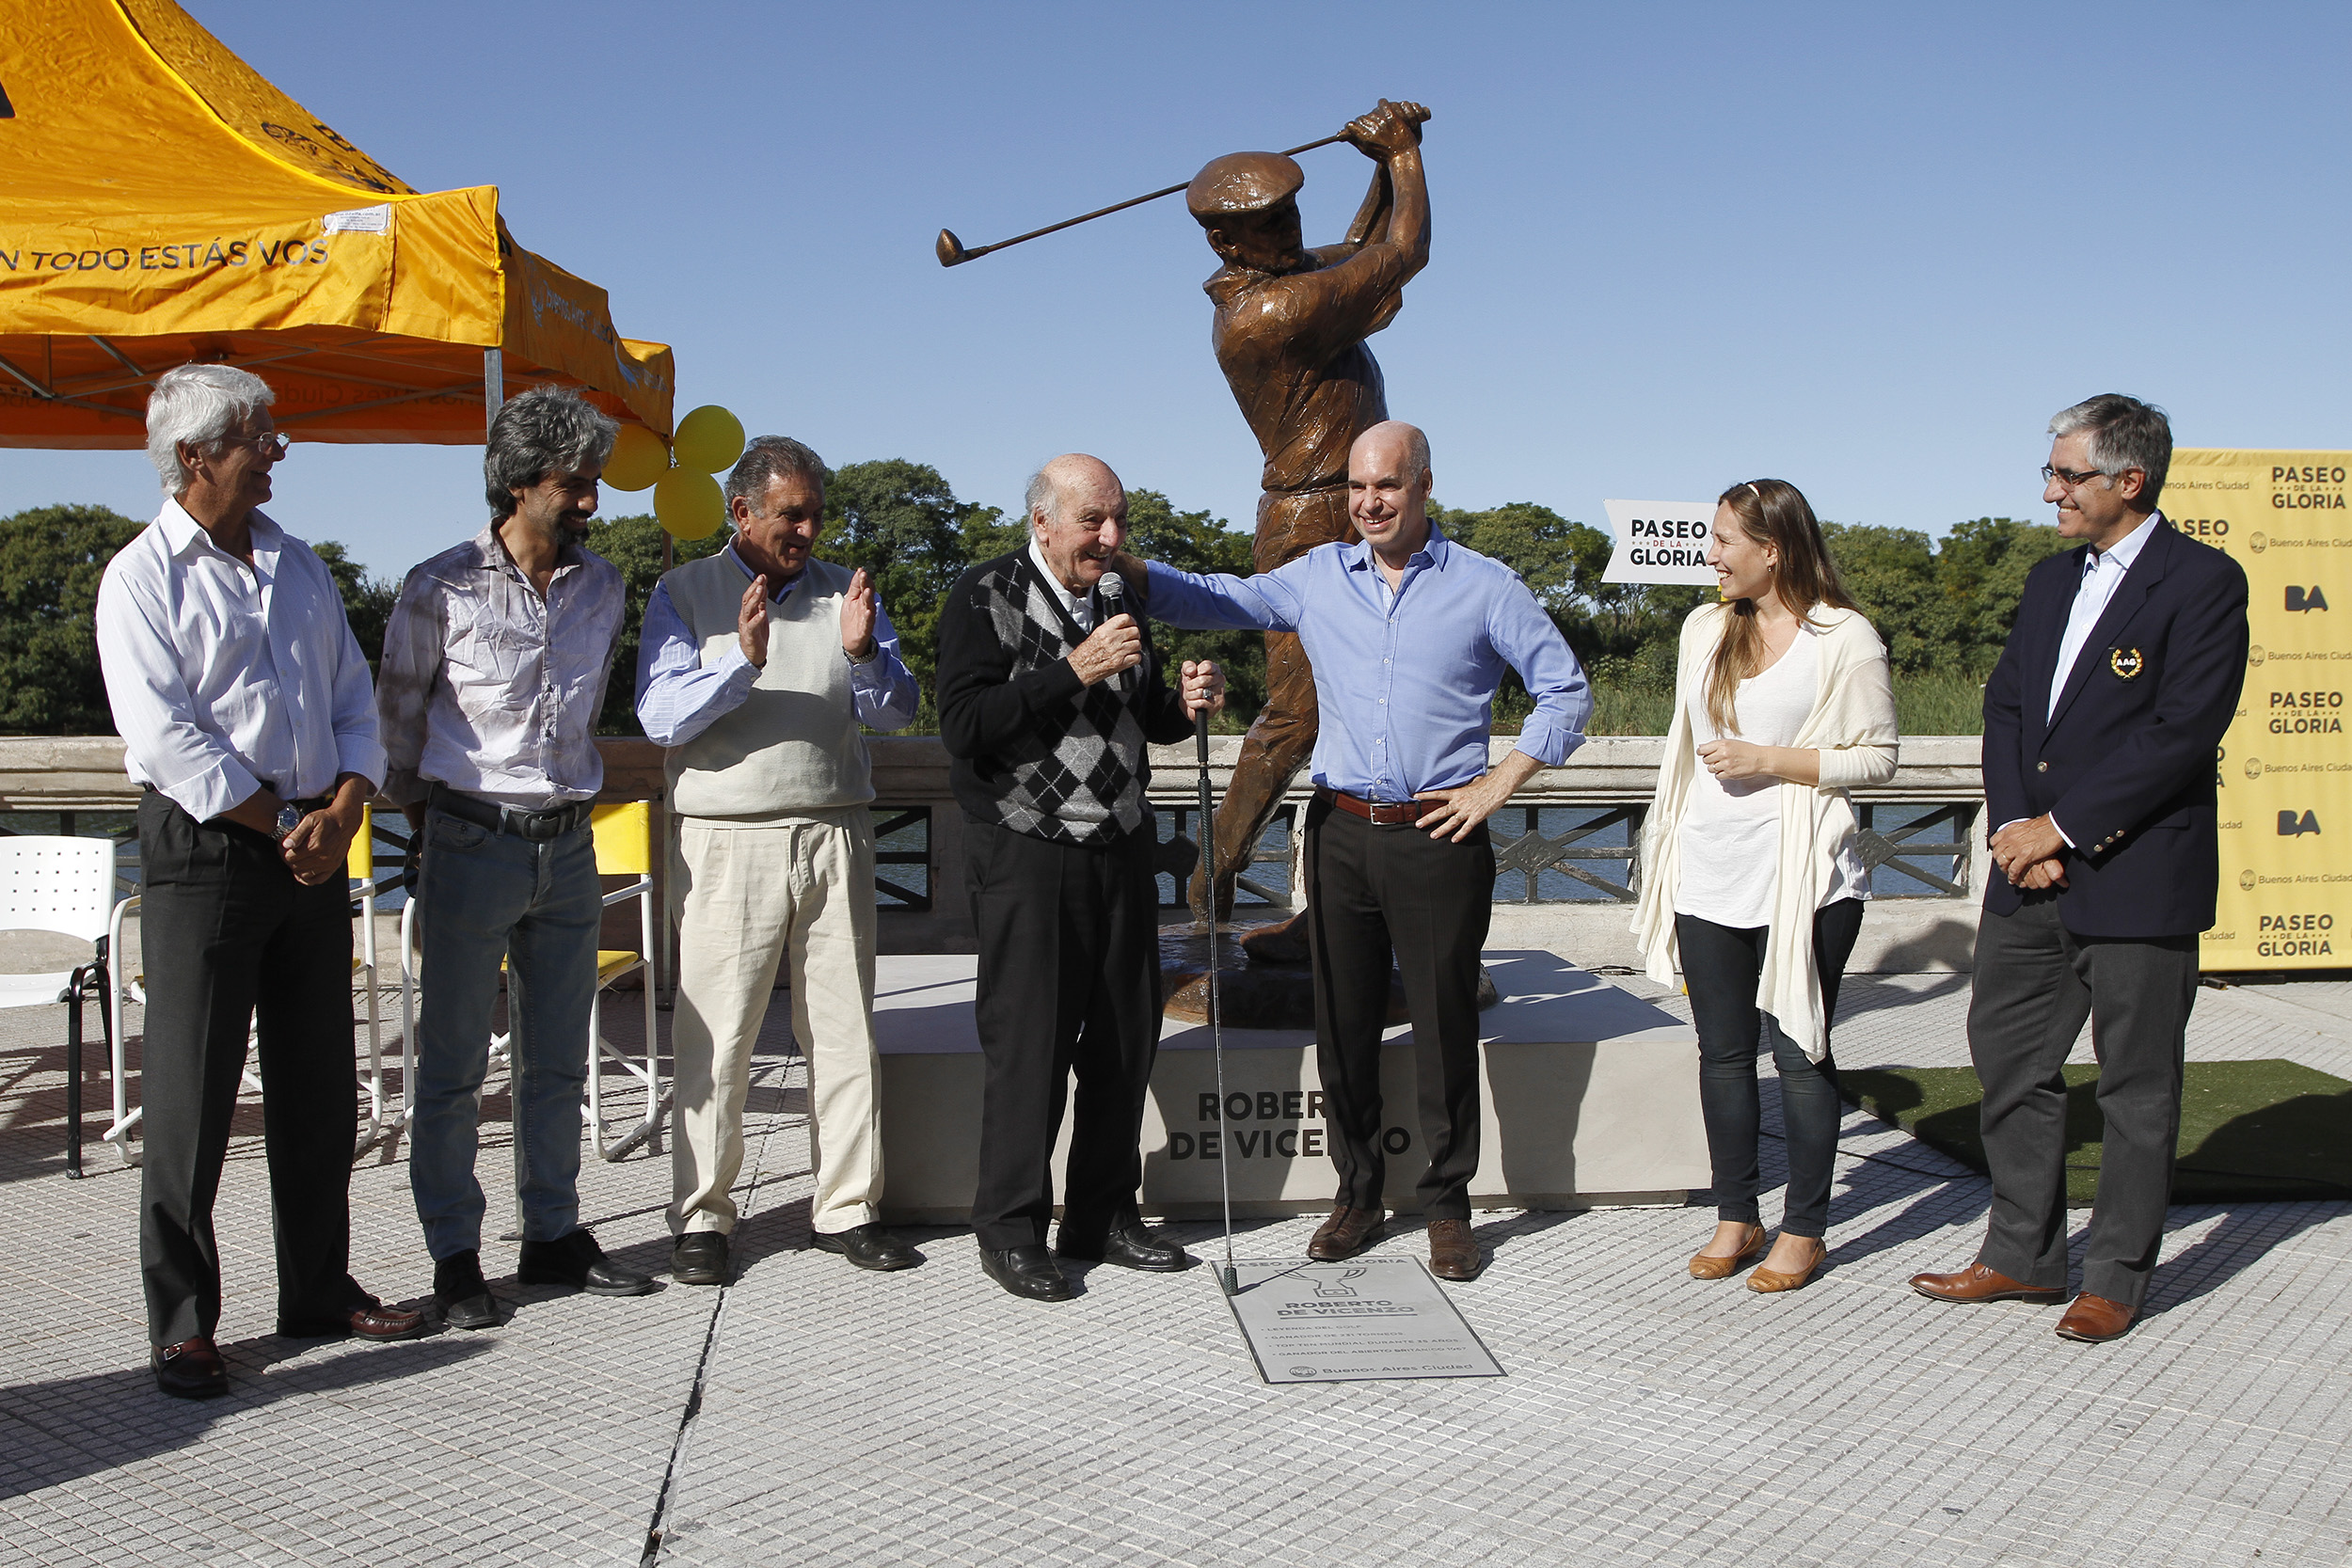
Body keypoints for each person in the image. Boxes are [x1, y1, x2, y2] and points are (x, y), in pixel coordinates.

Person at [1122, 420, 1591, 1281]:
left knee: (1447, 1026)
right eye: (1356, 488)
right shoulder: (1315, 578)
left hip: (1437, 837)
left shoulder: (1487, 588)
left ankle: (1449, 1207)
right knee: (1343, 1026)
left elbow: (1568, 692)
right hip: (1337, 833)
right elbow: (1218, 597)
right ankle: (1359, 1194)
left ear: (1423, 486)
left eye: (1387, 486)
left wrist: (1496, 786)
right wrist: (1125, 569)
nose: (1368, 502)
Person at [96, 364, 422, 1399]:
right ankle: (184, 1321)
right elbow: (166, 738)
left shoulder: (302, 567)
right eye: (259, 436)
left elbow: (352, 702)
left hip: (313, 839)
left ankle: (317, 1287)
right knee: (192, 1098)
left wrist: (345, 804)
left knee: (321, 1082)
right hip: (210, 849)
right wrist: (286, 817)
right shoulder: (139, 578)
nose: (278, 450)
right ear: (194, 457)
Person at [1913, 394, 2248, 1342]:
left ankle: (2117, 1276)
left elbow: (2181, 732)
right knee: (2008, 1058)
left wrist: (2063, 827)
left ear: (2127, 481)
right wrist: (2021, 824)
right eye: (2051, 471)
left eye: (2067, 474)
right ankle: (2020, 1254)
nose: (2051, 489)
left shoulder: (2203, 581)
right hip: (2029, 869)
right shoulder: (2049, 578)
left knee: (2136, 1085)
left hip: (2137, 872)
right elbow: (2010, 709)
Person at [376, 386, 653, 1328]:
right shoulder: (437, 586)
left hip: (568, 844)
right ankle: (456, 1256)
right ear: (520, 482)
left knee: (557, 1060)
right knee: (451, 1064)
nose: (591, 501)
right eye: (576, 484)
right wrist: (435, 826)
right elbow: (396, 724)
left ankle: (553, 1234)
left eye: (593, 484)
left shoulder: (605, 587)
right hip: (468, 839)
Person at [935, 453, 1225, 1302]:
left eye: (1120, 520)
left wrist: (1184, 701)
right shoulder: (980, 594)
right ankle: (1012, 1229)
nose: (1111, 537)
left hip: (1123, 845)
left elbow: (1142, 719)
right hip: (1028, 852)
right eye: (1094, 520)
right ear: (1043, 521)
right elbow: (964, 726)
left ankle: (1103, 1212)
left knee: (1124, 1043)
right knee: (1030, 1048)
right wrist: (1073, 669)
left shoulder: (1120, 596)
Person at [636, 436, 924, 1284]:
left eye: (814, 514)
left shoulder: (848, 593)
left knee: (842, 1031)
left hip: (836, 829)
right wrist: (742, 659)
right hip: (730, 839)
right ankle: (702, 1217)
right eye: (790, 513)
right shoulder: (682, 593)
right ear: (741, 513)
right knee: (717, 1036)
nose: (805, 528)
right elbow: (660, 715)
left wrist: (866, 651)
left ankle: (847, 1208)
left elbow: (900, 711)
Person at [1629, 481, 1899, 1293]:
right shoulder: (1704, 626)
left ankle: (1806, 1227)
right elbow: (1685, 749)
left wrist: (1769, 760)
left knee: (1801, 1052)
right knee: (1722, 1053)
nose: (1708, 555)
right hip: (1709, 872)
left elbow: (1879, 759)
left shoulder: (1845, 639)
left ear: (1771, 548)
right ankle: (1737, 1214)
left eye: (1721, 541)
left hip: (1807, 882)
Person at [1184, 96, 1432, 926]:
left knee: (1379, 692)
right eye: (1269, 224)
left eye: (1291, 212)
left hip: (1351, 512)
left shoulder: (1281, 279)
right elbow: (1403, 253)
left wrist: (1384, 162)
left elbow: (1363, 250)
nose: (1290, 230)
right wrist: (1400, 159)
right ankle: (1208, 877)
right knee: (1296, 713)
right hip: (1310, 520)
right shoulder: (1264, 314)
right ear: (1226, 242)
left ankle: (1340, 906)